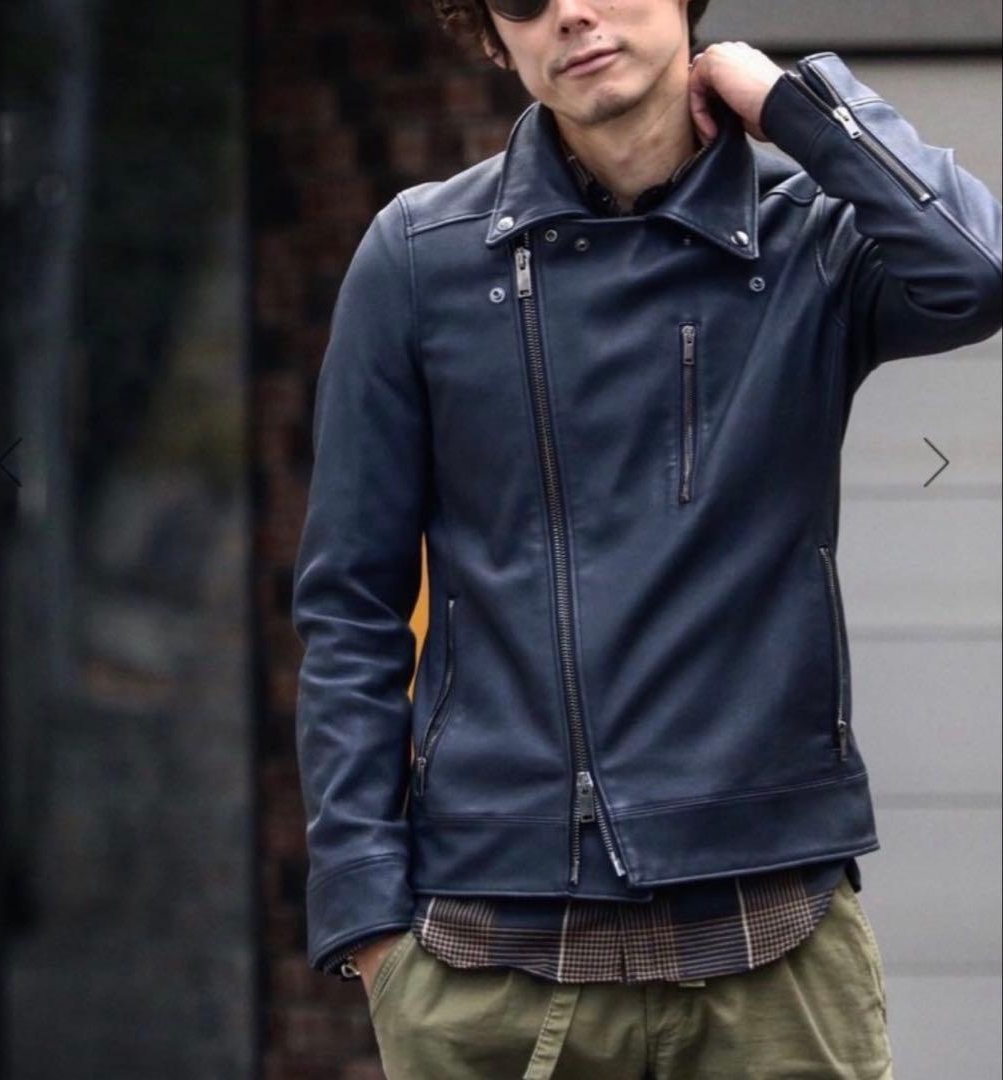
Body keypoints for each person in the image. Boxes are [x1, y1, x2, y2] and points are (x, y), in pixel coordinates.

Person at [290, 1, 1003, 1076]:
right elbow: (350, 604)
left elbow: (975, 271)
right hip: (491, 953)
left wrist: (794, 105)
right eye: (524, 0)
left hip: (776, 937)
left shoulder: (808, 237)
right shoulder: (421, 257)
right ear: (492, 37)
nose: (571, 12)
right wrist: (369, 927)